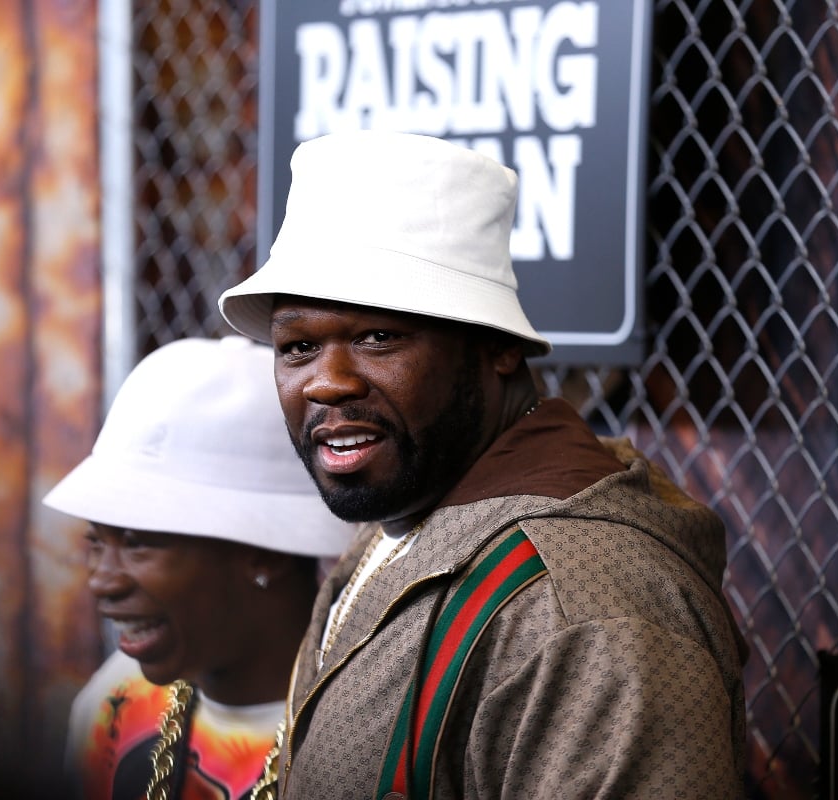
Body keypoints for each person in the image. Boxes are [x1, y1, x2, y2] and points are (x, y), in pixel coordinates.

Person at [217, 130, 750, 799]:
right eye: (297, 346)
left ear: (497, 348)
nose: (326, 383)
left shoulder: (582, 607)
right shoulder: (414, 501)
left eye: (378, 336)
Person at [42, 335, 357, 800]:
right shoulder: (114, 706)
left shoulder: (371, 734)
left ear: (266, 551)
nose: (101, 580)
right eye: (96, 543)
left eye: (137, 545)